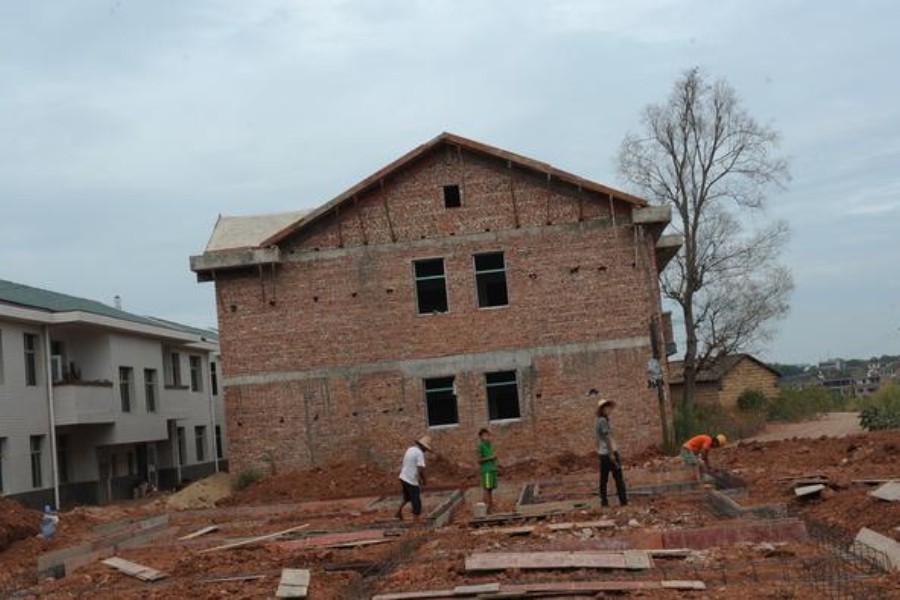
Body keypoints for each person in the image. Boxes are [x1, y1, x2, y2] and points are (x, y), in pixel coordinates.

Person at [591, 391, 627, 507]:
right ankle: (623, 501)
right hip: (609, 453)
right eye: (607, 408)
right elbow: (607, 438)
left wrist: (599, 450)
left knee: (604, 478)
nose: (609, 410)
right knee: (618, 478)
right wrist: (611, 453)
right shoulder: (602, 421)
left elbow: (597, 438)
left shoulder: (598, 421)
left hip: (603, 453)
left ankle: (604, 502)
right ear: (602, 409)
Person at [395, 435, 432, 521]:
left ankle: (398, 512)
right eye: (425, 449)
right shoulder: (419, 453)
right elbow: (420, 469)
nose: (425, 451)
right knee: (416, 501)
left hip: (403, 476)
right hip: (410, 479)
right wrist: (423, 480)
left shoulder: (410, 449)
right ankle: (416, 520)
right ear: (422, 446)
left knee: (407, 497)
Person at [477, 428, 498, 514]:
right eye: (485, 435)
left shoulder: (490, 445)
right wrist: (490, 458)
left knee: (490, 489)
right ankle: (487, 509)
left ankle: (491, 507)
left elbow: (492, 457)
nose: (487, 437)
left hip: (492, 469)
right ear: (481, 437)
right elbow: (479, 460)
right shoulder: (481, 446)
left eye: (488, 435)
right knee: (486, 488)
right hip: (486, 470)